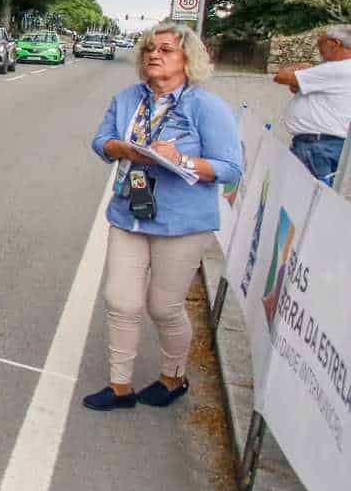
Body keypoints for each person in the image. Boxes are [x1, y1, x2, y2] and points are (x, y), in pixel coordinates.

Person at [85, 23, 243, 411]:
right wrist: (119, 146)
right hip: (129, 212)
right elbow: (100, 140)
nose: (154, 55)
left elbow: (230, 168)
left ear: (188, 60)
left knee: (163, 307)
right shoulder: (127, 98)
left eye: (167, 50)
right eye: (149, 49)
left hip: (181, 221)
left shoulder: (206, 107)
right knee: (120, 300)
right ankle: (119, 387)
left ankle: (173, 377)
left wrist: (181, 160)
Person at [272, 23, 350, 185]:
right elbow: (296, 88)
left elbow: (281, 77)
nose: (318, 49)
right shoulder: (338, 71)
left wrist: (301, 67)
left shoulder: (335, 69)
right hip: (327, 144)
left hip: (316, 144)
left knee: (302, 196)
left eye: (321, 43)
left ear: (335, 44)